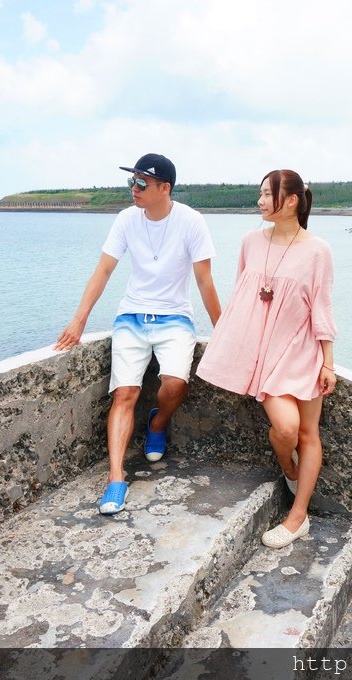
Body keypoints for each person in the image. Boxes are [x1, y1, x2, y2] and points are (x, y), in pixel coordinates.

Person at [54, 153, 221, 515]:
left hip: (175, 318)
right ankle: (116, 479)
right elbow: (104, 270)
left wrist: (223, 332)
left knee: (176, 384)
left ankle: (157, 422)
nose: (135, 188)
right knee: (125, 392)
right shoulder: (127, 219)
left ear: (165, 188)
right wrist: (79, 319)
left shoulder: (191, 221)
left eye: (142, 183)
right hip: (131, 316)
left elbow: (204, 280)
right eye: (133, 181)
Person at [196, 169, 336, 549]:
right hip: (268, 357)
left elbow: (321, 308)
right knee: (286, 429)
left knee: (307, 433)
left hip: (303, 352)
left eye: (265, 194)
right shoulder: (250, 242)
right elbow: (245, 299)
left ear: (290, 201)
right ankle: (288, 467)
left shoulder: (317, 250)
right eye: (259, 193)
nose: (259, 201)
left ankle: (298, 516)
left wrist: (328, 361)